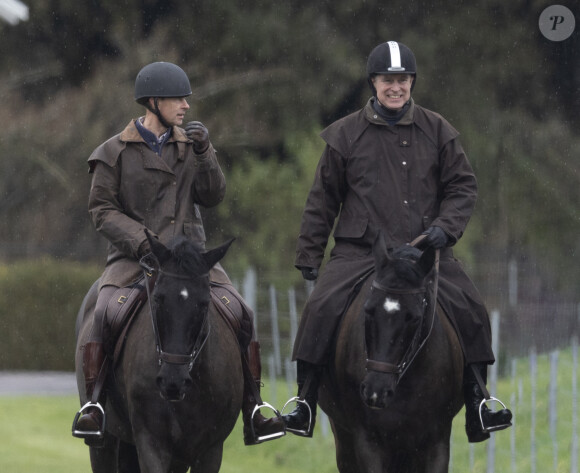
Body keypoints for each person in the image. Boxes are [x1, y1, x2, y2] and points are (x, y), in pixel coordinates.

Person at [282, 41, 512, 443]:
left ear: (411, 82)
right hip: (361, 253)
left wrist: (446, 227)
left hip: (424, 254)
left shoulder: (439, 130)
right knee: (319, 307)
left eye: (402, 80)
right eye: (388, 80)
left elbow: (463, 186)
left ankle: (478, 400)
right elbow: (323, 198)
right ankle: (303, 401)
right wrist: (310, 252)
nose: (395, 87)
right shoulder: (344, 135)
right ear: (373, 82)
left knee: (472, 309)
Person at [71, 61, 284, 446]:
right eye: (177, 99)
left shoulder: (192, 145)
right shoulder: (112, 152)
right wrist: (142, 241)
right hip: (133, 258)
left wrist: (205, 153)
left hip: (190, 260)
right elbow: (101, 211)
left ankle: (254, 408)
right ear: (153, 102)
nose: (186, 105)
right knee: (103, 313)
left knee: (241, 312)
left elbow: (213, 195)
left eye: (186, 99)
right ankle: (95, 407)